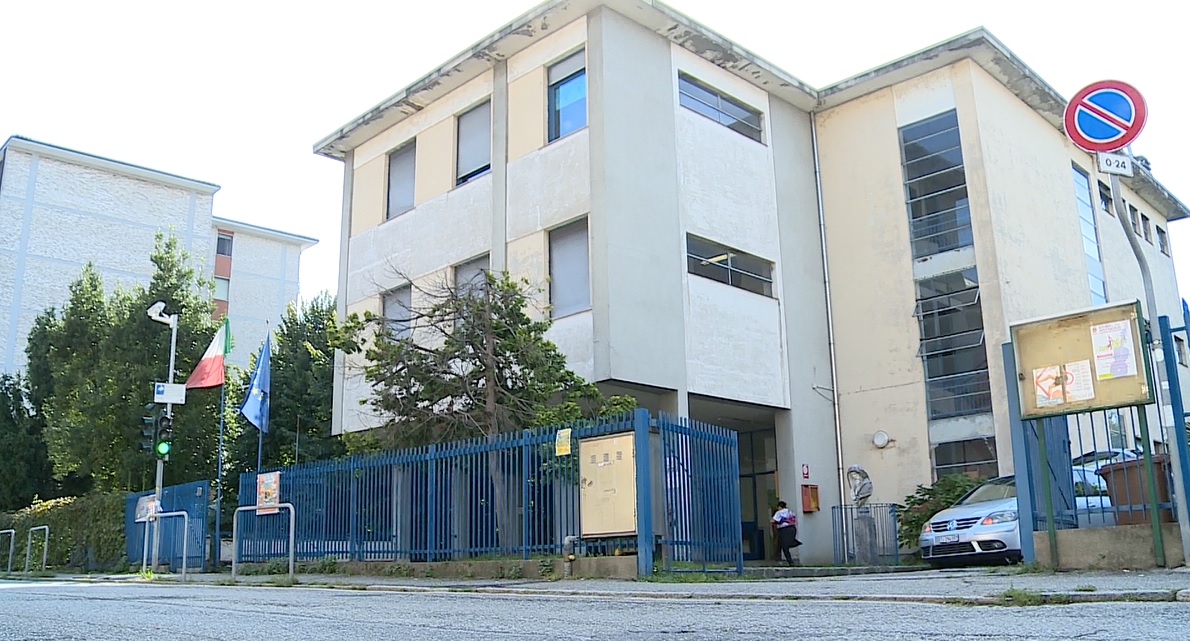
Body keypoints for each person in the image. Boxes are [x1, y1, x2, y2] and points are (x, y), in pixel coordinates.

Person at [771, 501, 802, 565]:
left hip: (783, 530)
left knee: (784, 546)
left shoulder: (779, 512)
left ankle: (789, 561)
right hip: (792, 529)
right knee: (786, 543)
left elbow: (772, 520)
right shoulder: (790, 511)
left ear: (779, 506)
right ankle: (794, 543)